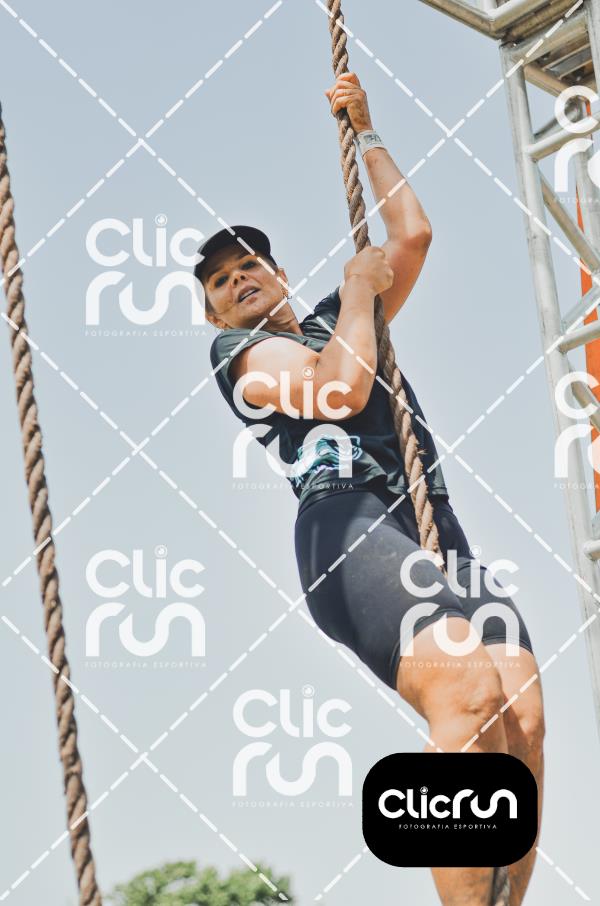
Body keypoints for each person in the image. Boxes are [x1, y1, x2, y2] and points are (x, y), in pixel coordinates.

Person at [196, 72, 545, 905]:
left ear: (279, 274)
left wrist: (368, 131)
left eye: (250, 264)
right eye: (220, 280)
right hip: (347, 527)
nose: (239, 278)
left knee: (522, 723)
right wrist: (359, 289)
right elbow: (339, 389)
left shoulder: (337, 315)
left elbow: (411, 233)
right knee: (467, 691)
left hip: (434, 530)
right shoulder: (238, 357)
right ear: (213, 313)